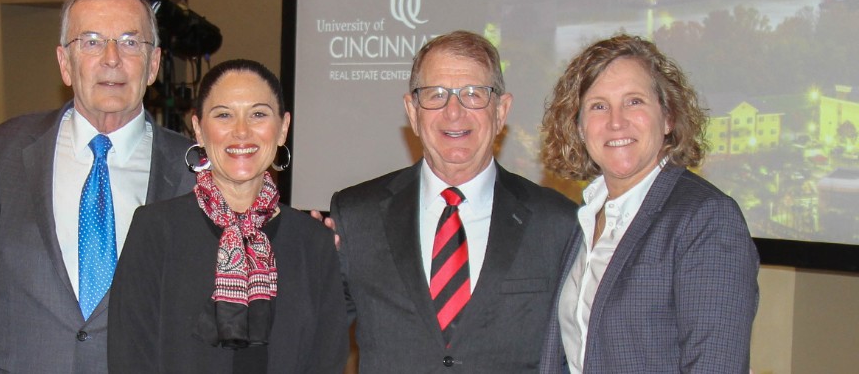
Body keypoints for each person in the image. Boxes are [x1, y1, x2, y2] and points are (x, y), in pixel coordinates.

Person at [0, 0, 196, 373]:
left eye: (130, 42)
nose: (112, 59)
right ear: (64, 63)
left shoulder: (197, 175)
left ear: (154, 65)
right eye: (91, 42)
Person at [331, 30, 578, 372]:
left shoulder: (558, 223)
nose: (454, 112)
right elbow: (311, 336)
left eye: (473, 94)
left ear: (501, 110)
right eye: (436, 95)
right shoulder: (356, 216)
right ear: (413, 111)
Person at [108, 59, 349, 373]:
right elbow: (130, 358)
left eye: (258, 114)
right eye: (223, 115)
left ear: (283, 128)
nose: (241, 131)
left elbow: (326, 361)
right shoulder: (156, 229)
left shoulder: (312, 241)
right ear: (198, 129)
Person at [537, 35, 759, 373]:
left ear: (668, 117)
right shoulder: (585, 218)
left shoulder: (705, 219)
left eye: (634, 101)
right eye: (598, 106)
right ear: (579, 127)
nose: (616, 121)